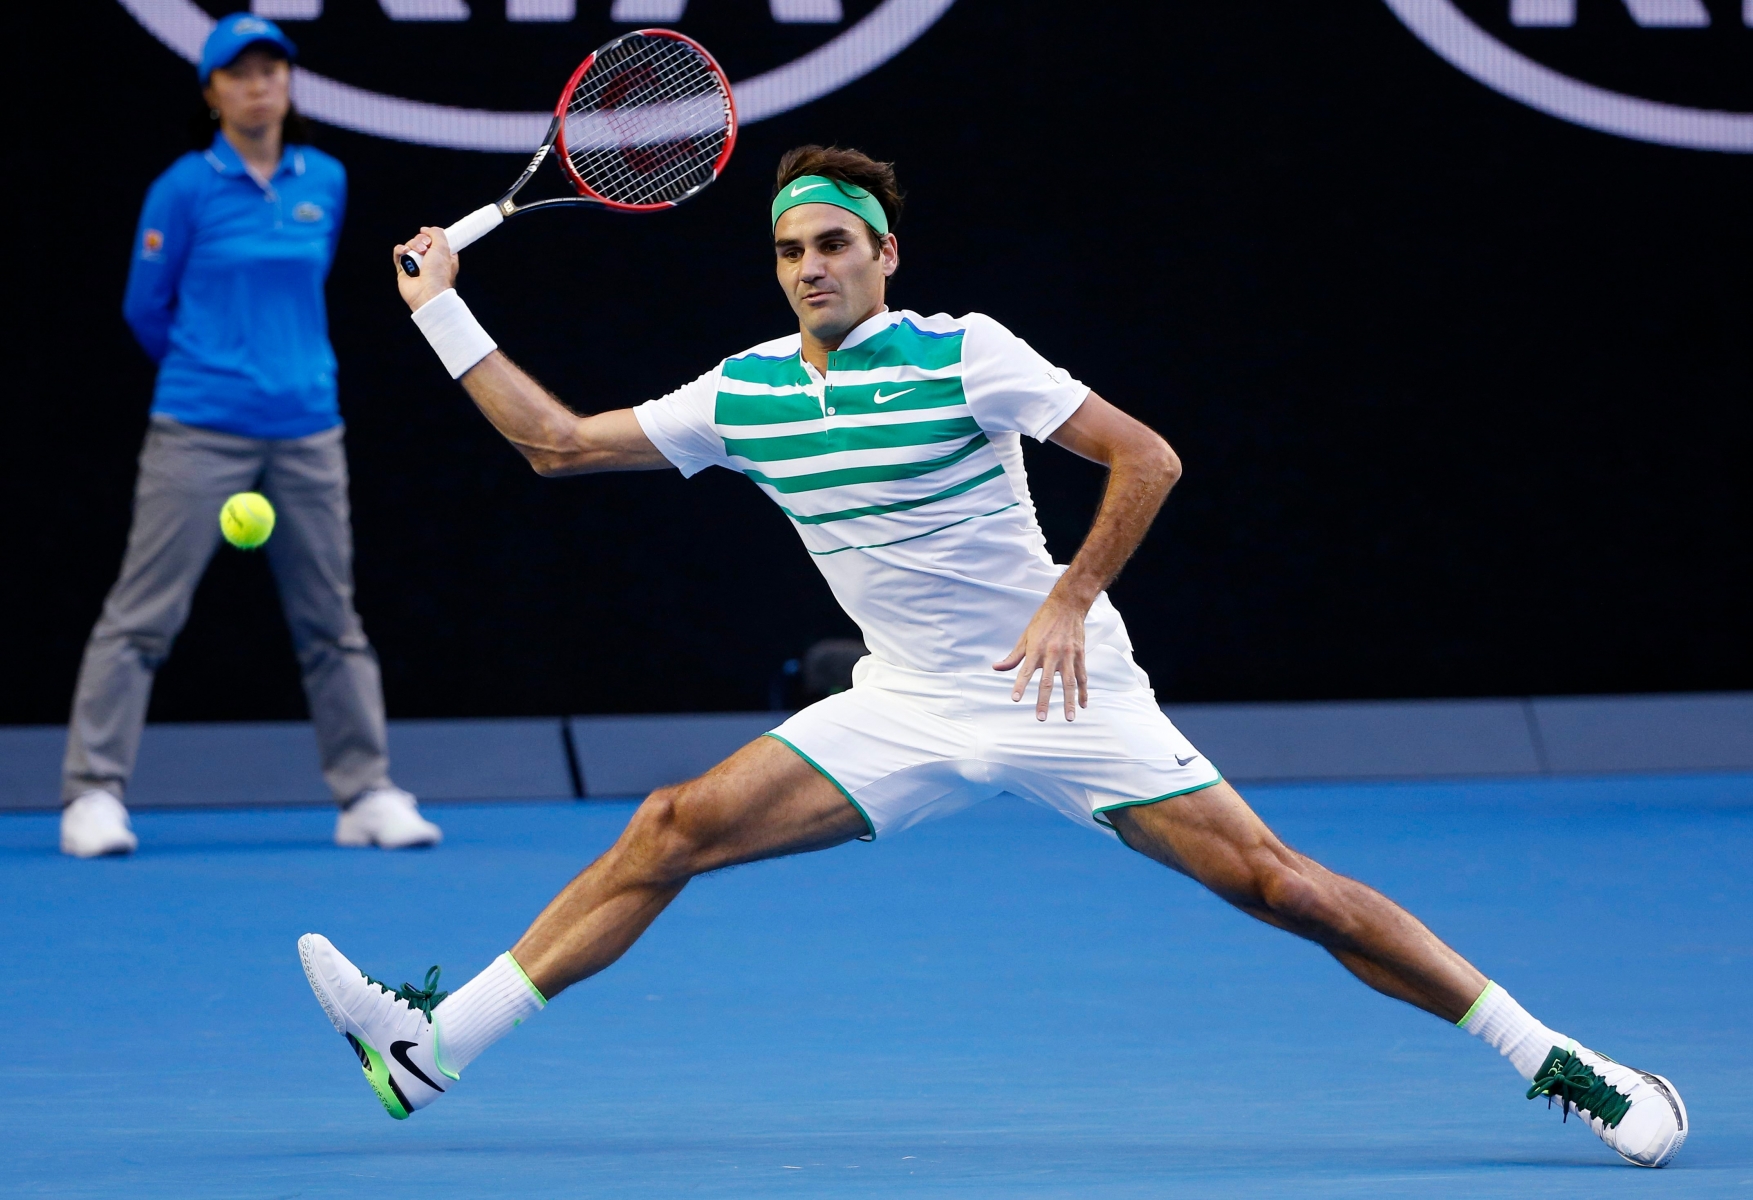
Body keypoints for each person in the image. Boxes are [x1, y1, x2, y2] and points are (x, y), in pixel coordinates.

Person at [297, 147, 1685, 1166]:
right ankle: (434, 1046)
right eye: (791, 250)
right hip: (897, 706)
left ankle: (1554, 1060)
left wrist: (1075, 595)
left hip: (1057, 694)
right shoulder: (746, 391)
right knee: (668, 828)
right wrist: (439, 308)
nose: (812, 266)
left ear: (884, 256)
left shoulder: (967, 357)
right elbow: (554, 444)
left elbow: (1146, 457)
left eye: (837, 242)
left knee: (1284, 890)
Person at [58, 14, 439, 857]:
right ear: (212, 93)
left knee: (332, 623)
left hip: (307, 427)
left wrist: (273, 372)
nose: (260, 84)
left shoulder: (326, 180)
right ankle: (92, 796)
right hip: (198, 426)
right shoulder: (183, 188)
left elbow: (301, 292)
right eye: (240, 73)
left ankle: (366, 793)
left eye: (273, 69)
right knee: (140, 619)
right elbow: (143, 308)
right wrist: (215, 371)